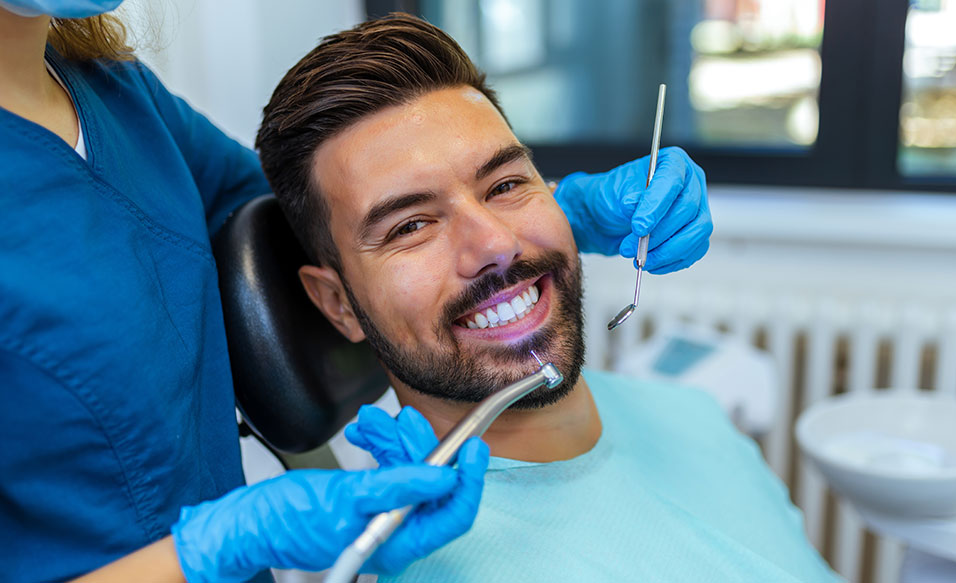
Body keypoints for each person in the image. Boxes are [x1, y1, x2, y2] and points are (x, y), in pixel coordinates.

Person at [0, 3, 711, 583]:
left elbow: (337, 224)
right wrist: (209, 551)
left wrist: (548, 218)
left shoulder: (116, 95)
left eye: (504, 178)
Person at [255, 13, 840, 582]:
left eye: (506, 185)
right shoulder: (440, 561)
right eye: (410, 226)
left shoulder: (695, 414)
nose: (495, 242)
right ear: (338, 304)